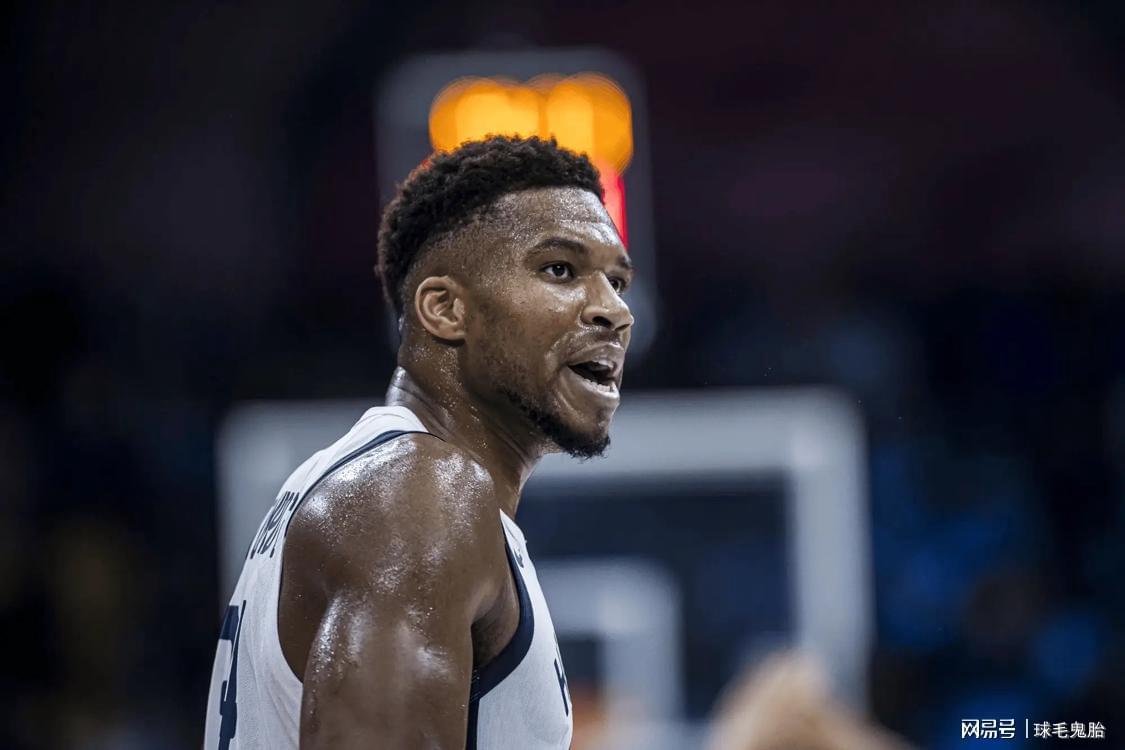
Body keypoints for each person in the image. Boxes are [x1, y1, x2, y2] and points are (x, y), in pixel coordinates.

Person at [203, 135, 634, 749]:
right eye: (560, 270)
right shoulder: (420, 496)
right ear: (445, 309)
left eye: (617, 281)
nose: (614, 311)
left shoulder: (377, 484)